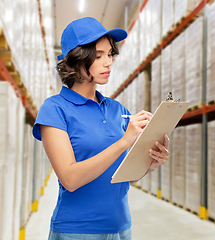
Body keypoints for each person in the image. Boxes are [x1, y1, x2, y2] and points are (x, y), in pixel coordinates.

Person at [32, 17, 169, 240]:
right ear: (77, 60)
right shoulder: (55, 109)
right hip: (76, 231)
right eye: (98, 56)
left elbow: (124, 177)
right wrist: (124, 141)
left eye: (110, 54)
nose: (108, 62)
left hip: (121, 228)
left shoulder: (118, 110)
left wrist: (151, 163)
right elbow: (70, 178)